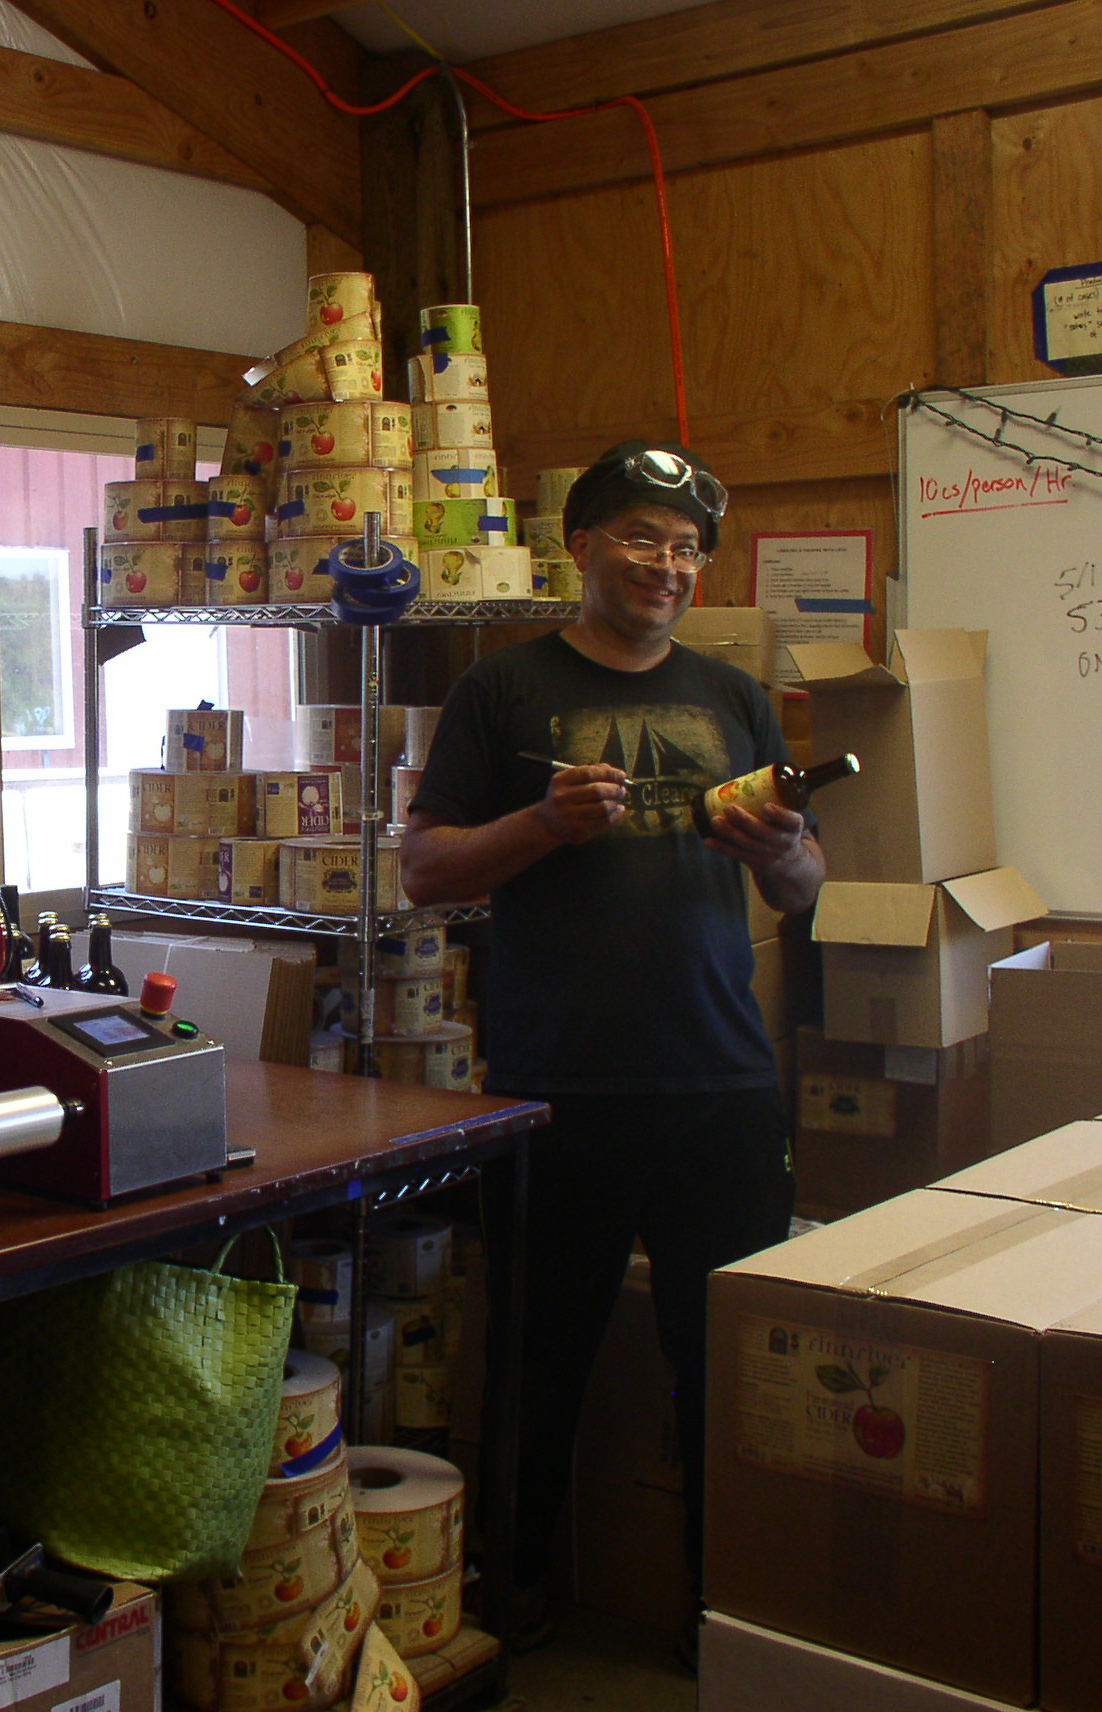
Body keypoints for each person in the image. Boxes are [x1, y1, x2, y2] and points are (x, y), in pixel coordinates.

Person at [401, 441, 822, 1663]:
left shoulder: (732, 692)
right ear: (580, 545)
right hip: (554, 1088)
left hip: (721, 1085)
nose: (668, 566)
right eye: (642, 537)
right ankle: (512, 1598)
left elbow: (803, 886)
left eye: (687, 547)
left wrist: (773, 849)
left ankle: (718, 1617)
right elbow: (423, 868)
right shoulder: (500, 690)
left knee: (726, 1373)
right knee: (536, 1364)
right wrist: (539, 822)